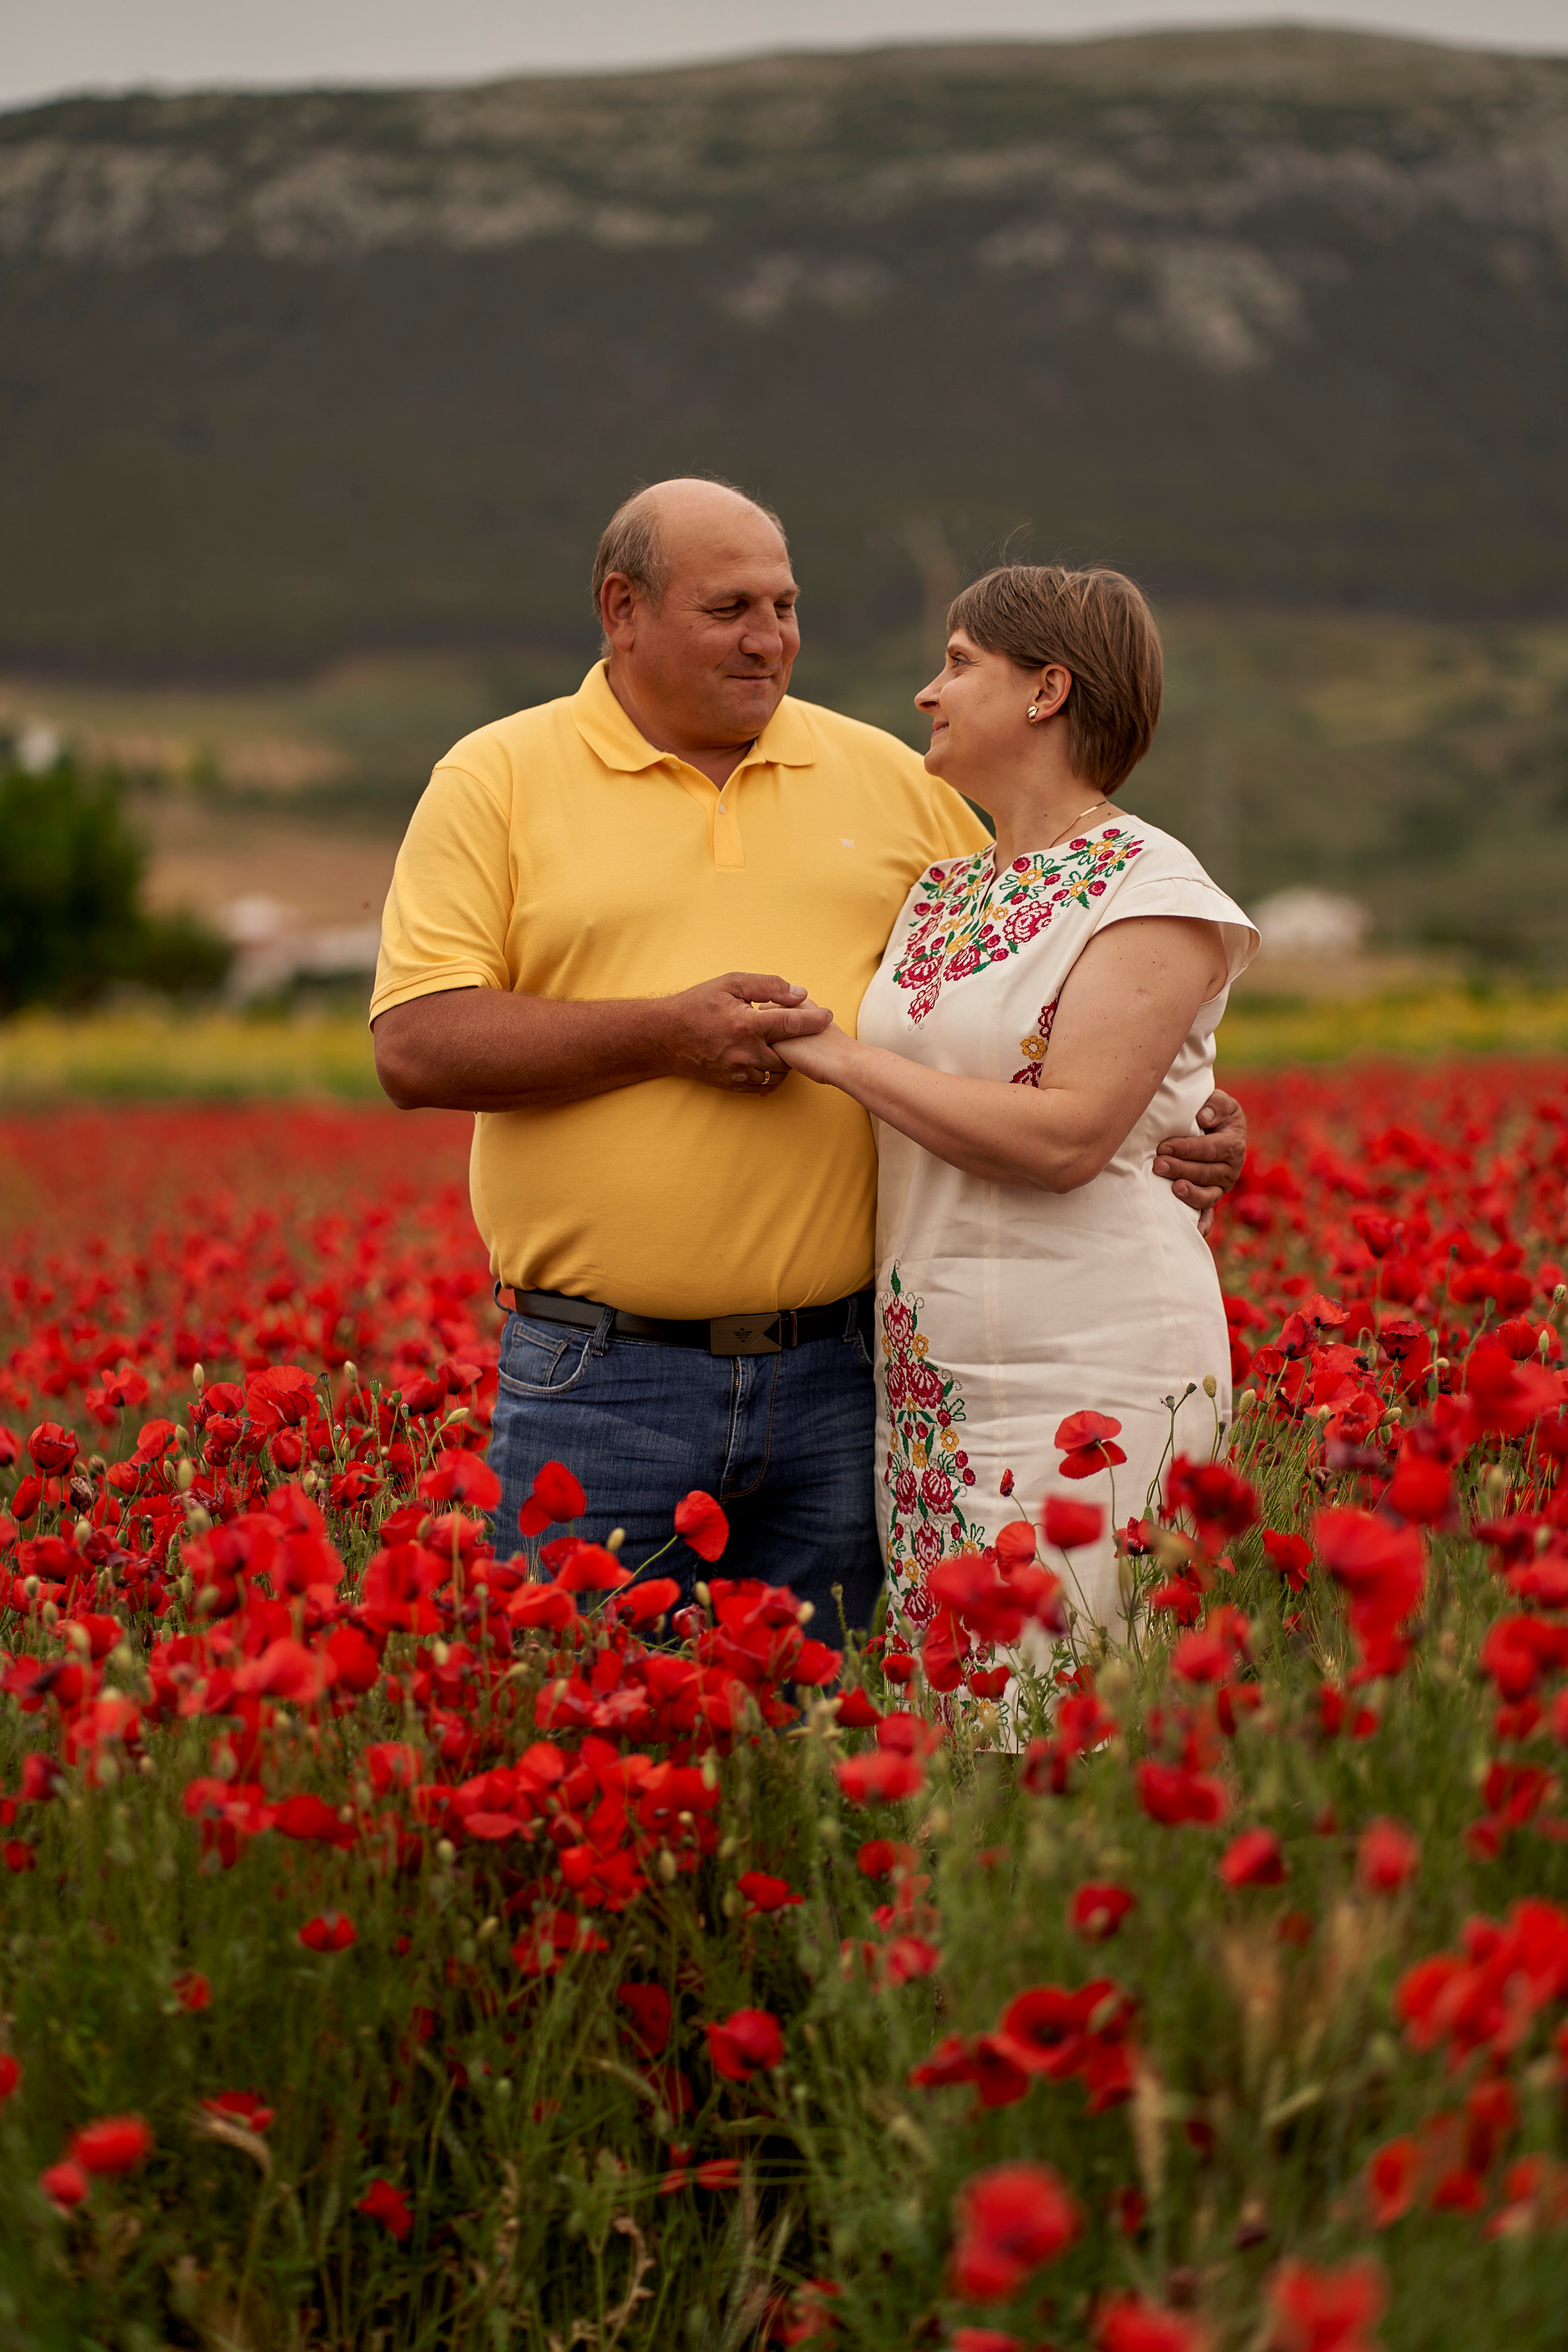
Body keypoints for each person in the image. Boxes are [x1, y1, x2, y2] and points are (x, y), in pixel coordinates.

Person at [369, 483, 1248, 1626]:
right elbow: (416, 1047)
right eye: (731, 606)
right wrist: (666, 1033)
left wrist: (1188, 1106)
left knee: (818, 1746)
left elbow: (1051, 973)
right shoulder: (496, 777)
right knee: (583, 1740)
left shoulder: (896, 779)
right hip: (601, 1375)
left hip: (846, 1379)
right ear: (621, 609)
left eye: (785, 605)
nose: (770, 637)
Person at [773, 562, 1259, 1651]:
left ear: (1047, 691)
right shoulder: (942, 889)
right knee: (959, 1726)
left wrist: (839, 1060)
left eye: (957, 664)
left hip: (1097, 1363)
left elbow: (1073, 1135)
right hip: (932, 1370)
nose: (927, 694)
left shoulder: (1153, 888)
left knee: (1076, 1710)